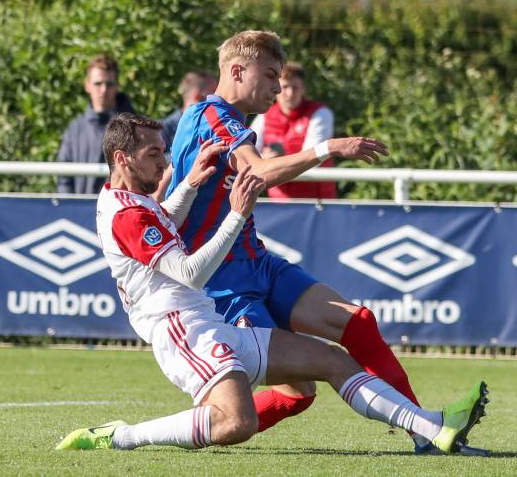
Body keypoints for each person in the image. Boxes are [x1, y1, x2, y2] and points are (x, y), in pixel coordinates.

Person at [55, 113, 488, 453]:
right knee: (236, 423)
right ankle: (121, 435)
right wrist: (237, 214)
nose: (162, 161)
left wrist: (188, 183)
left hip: (206, 324)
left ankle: (433, 425)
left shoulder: (132, 202)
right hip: (182, 333)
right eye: (152, 153)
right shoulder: (127, 214)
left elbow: (164, 221)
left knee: (331, 361)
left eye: (162, 151)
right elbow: (189, 273)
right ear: (121, 159)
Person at [164, 30, 487, 456]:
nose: (278, 87)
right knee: (298, 391)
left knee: (357, 322)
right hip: (222, 283)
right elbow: (258, 173)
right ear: (237, 70)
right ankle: (176, 430)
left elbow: (180, 179)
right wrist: (327, 147)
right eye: (271, 75)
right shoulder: (209, 114)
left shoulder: (231, 123)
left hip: (256, 261)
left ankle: (424, 430)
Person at [250, 62, 337, 198]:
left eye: (295, 87)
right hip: (279, 203)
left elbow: (311, 161)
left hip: (316, 204)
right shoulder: (265, 115)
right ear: (276, 89)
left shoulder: (320, 113)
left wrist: (267, 162)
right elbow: (248, 156)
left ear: (303, 89)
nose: (290, 94)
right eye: (285, 87)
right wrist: (262, 159)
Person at [57, 54, 135, 194]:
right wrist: (68, 206)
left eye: (109, 84)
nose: (104, 90)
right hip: (79, 210)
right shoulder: (74, 129)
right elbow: (64, 178)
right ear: (87, 85)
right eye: (98, 83)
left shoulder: (133, 127)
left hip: (119, 211)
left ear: (117, 86)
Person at [161, 71, 218, 154]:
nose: (218, 99)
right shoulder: (166, 128)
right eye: (213, 93)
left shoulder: (216, 125)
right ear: (197, 96)